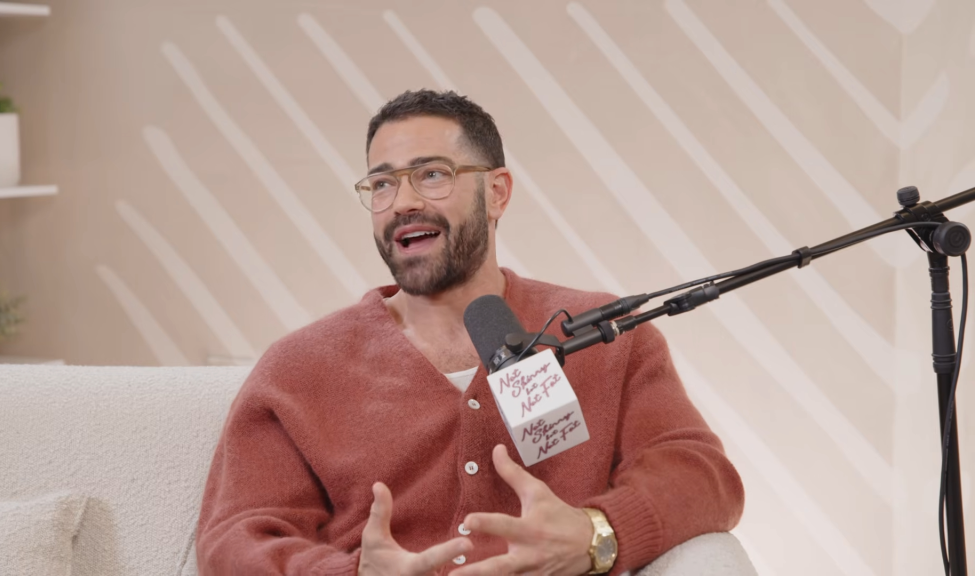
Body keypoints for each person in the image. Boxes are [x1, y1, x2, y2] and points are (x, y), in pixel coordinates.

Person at [196, 89, 744, 576]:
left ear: (498, 192)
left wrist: (596, 533)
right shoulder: (298, 369)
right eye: (382, 183)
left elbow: (700, 475)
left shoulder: (604, 336)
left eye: (431, 174)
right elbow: (237, 537)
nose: (403, 201)